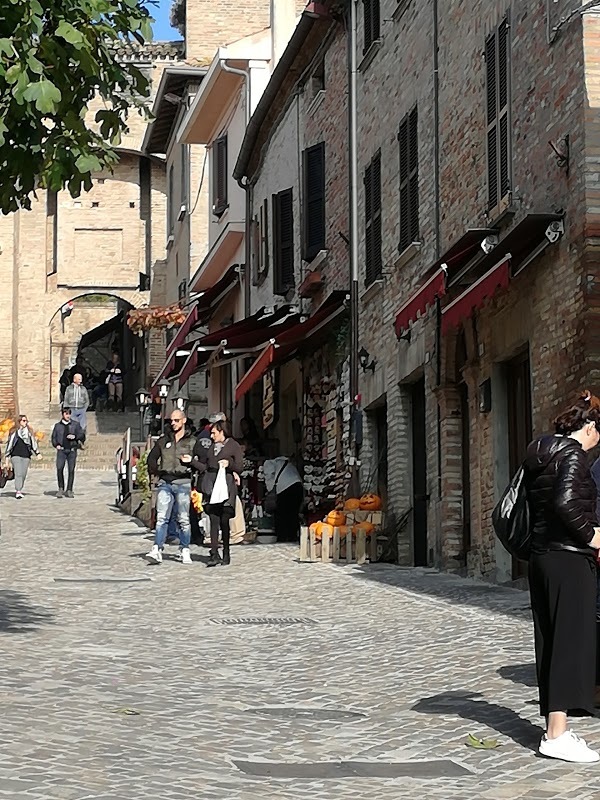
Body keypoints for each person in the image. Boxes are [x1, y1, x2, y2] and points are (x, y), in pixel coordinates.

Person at [524, 390, 600, 763]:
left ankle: (557, 728)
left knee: (553, 642)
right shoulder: (572, 455)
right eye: (597, 430)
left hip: (542, 556)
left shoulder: (540, 453)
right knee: (571, 643)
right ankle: (557, 735)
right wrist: (593, 535)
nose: (597, 438)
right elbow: (566, 503)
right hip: (568, 559)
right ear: (587, 427)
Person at [145, 409, 196, 565]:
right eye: (171, 421)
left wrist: (192, 463)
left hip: (183, 483)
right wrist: (156, 472)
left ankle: (184, 549)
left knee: (183, 519)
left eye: (176, 420)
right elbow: (152, 458)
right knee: (162, 518)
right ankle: (157, 549)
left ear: (184, 420)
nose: (173, 423)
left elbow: (202, 460)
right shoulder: (163, 440)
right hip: (165, 482)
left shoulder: (192, 441)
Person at [191, 421, 243, 567]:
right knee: (213, 519)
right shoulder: (212, 448)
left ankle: (226, 552)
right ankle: (214, 553)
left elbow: (239, 466)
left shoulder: (233, 446)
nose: (211, 436)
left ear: (222, 432)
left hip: (226, 486)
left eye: (214, 433)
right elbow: (206, 467)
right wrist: (192, 462)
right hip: (212, 485)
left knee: (224, 520)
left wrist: (229, 464)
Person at [263, 457, 304, 542]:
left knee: (281, 513)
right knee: (293, 513)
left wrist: (270, 490)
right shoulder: (287, 463)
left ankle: (282, 536)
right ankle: (292, 535)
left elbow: (269, 477)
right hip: (298, 486)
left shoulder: (269, 463)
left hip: (284, 488)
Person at [4, 414, 41, 499]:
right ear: (19, 422)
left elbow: (33, 443)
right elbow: (10, 445)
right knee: (18, 473)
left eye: (26, 421)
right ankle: (18, 490)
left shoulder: (29, 432)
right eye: (24, 421)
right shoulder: (14, 432)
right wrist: (7, 458)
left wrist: (37, 453)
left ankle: (20, 488)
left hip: (26, 456)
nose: (25, 422)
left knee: (23, 474)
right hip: (15, 455)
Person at [51, 407, 85, 498]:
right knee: (59, 468)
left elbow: (82, 435)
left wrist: (75, 436)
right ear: (63, 414)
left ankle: (69, 489)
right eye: (66, 414)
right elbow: (53, 437)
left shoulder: (75, 425)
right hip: (61, 450)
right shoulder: (58, 426)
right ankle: (61, 488)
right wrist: (56, 444)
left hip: (72, 450)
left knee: (71, 470)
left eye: (69, 414)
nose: (68, 416)